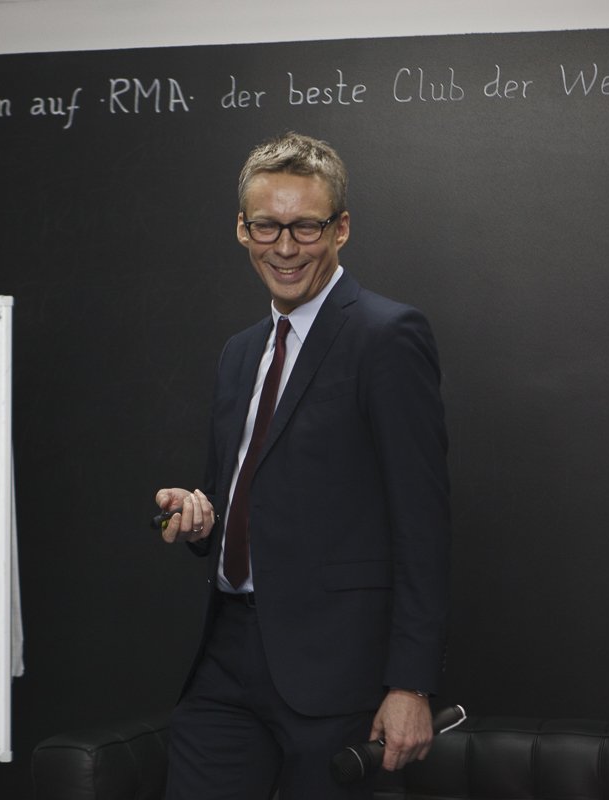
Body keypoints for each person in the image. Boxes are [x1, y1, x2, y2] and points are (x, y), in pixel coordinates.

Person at [154, 132, 451, 799]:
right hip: (225, 658)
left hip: (338, 671)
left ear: (340, 228)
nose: (285, 248)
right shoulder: (239, 352)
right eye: (267, 225)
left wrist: (411, 684)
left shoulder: (387, 337)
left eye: (306, 227)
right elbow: (238, 491)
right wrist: (200, 518)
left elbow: (423, 523)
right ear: (243, 229)